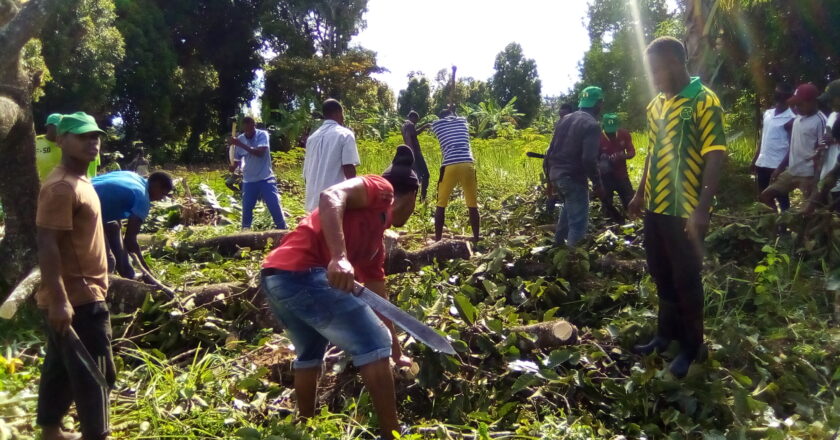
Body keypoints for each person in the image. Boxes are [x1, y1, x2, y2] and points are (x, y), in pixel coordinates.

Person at [260, 146, 420, 440]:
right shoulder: (381, 188)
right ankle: (393, 434)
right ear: (411, 197)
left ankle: (305, 427)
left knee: (310, 351)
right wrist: (339, 257)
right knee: (373, 342)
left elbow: (380, 304)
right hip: (299, 272)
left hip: (276, 277)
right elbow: (330, 196)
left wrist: (398, 355)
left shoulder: (373, 248)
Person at [628, 37, 727, 378]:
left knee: (687, 278)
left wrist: (702, 209)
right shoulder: (656, 106)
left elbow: (716, 155)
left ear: (674, 63)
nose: (654, 77)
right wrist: (640, 193)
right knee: (660, 272)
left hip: (686, 209)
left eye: (657, 69)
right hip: (656, 206)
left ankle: (692, 346)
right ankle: (663, 335)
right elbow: (653, 153)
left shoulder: (704, 101)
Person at [35, 112, 116, 440]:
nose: (92, 142)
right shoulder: (60, 187)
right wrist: (59, 301)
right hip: (78, 299)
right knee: (97, 374)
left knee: (60, 368)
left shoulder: (82, 181)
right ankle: (97, 434)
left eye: (95, 136)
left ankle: (50, 430)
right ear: (62, 139)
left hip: (80, 293)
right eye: (82, 136)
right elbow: (46, 244)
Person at [543, 86, 605, 246]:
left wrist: (550, 179)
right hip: (573, 178)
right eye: (601, 103)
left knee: (567, 211)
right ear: (598, 104)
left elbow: (550, 151)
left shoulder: (564, 119)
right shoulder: (592, 125)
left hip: (556, 175)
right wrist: (598, 183)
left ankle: (557, 249)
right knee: (578, 225)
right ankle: (573, 263)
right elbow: (588, 159)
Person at [92, 170, 173, 280]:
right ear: (156, 186)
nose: (161, 198)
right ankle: (104, 291)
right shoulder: (142, 199)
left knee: (114, 226)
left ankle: (128, 274)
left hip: (80, 191)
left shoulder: (132, 175)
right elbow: (130, 241)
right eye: (162, 194)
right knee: (108, 261)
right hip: (82, 208)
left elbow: (110, 193)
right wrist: (147, 272)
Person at [760, 84, 827, 209]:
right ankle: (779, 224)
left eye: (800, 104)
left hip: (808, 175)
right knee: (766, 196)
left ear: (812, 102)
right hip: (792, 170)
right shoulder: (798, 117)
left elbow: (822, 152)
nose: (796, 107)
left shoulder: (820, 121)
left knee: (810, 210)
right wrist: (779, 168)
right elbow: (793, 144)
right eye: (795, 104)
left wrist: (816, 180)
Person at [229, 116, 288, 229]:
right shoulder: (240, 139)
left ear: (254, 126)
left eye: (251, 130)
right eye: (246, 130)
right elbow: (237, 159)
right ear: (243, 129)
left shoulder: (262, 135)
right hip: (249, 180)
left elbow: (259, 153)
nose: (249, 133)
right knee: (247, 208)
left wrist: (240, 144)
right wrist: (233, 167)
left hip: (265, 178)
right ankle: (245, 232)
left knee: (274, 205)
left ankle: (282, 229)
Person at [430, 109, 480, 242]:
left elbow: (431, 123)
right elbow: (458, 117)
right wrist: (454, 112)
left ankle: (438, 239)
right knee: (472, 204)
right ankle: (476, 237)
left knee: (441, 204)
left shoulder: (437, 125)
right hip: (467, 164)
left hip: (450, 165)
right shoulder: (463, 121)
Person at [303, 99, 361, 212]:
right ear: (338, 113)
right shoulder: (345, 135)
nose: (343, 118)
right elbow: (348, 168)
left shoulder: (312, 138)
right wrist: (356, 196)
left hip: (313, 204)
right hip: (334, 202)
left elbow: (306, 173)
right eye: (343, 114)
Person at [752, 84, 796, 211]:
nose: (778, 96)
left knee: (781, 197)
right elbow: (763, 139)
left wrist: (780, 168)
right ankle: (771, 224)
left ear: (787, 98)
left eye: (781, 94)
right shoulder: (768, 114)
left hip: (778, 165)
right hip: (763, 163)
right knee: (763, 197)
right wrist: (755, 159)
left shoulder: (791, 118)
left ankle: (783, 227)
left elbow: (792, 146)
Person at [806, 80, 840, 213]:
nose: (829, 103)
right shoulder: (833, 115)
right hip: (829, 174)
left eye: (832, 99)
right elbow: (828, 133)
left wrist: (833, 173)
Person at [36, 113, 99, 181]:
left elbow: (94, 167)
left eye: (94, 137)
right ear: (48, 126)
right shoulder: (36, 141)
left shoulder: (73, 146)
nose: (59, 130)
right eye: (56, 126)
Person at [597, 113, 636, 222]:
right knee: (607, 205)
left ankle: (633, 220)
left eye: (613, 131)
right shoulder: (598, 137)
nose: (612, 134)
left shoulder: (624, 134)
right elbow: (591, 158)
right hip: (605, 177)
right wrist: (602, 160)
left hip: (621, 174)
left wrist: (621, 155)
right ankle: (609, 224)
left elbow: (632, 152)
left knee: (629, 200)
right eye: (609, 132)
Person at [401, 111, 431, 201]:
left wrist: (424, 127)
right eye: (416, 120)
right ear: (413, 117)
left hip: (411, 154)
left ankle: (411, 200)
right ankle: (422, 199)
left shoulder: (405, 125)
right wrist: (413, 155)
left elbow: (414, 134)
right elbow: (409, 138)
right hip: (415, 154)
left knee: (416, 177)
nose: (416, 122)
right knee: (425, 175)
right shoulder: (410, 125)